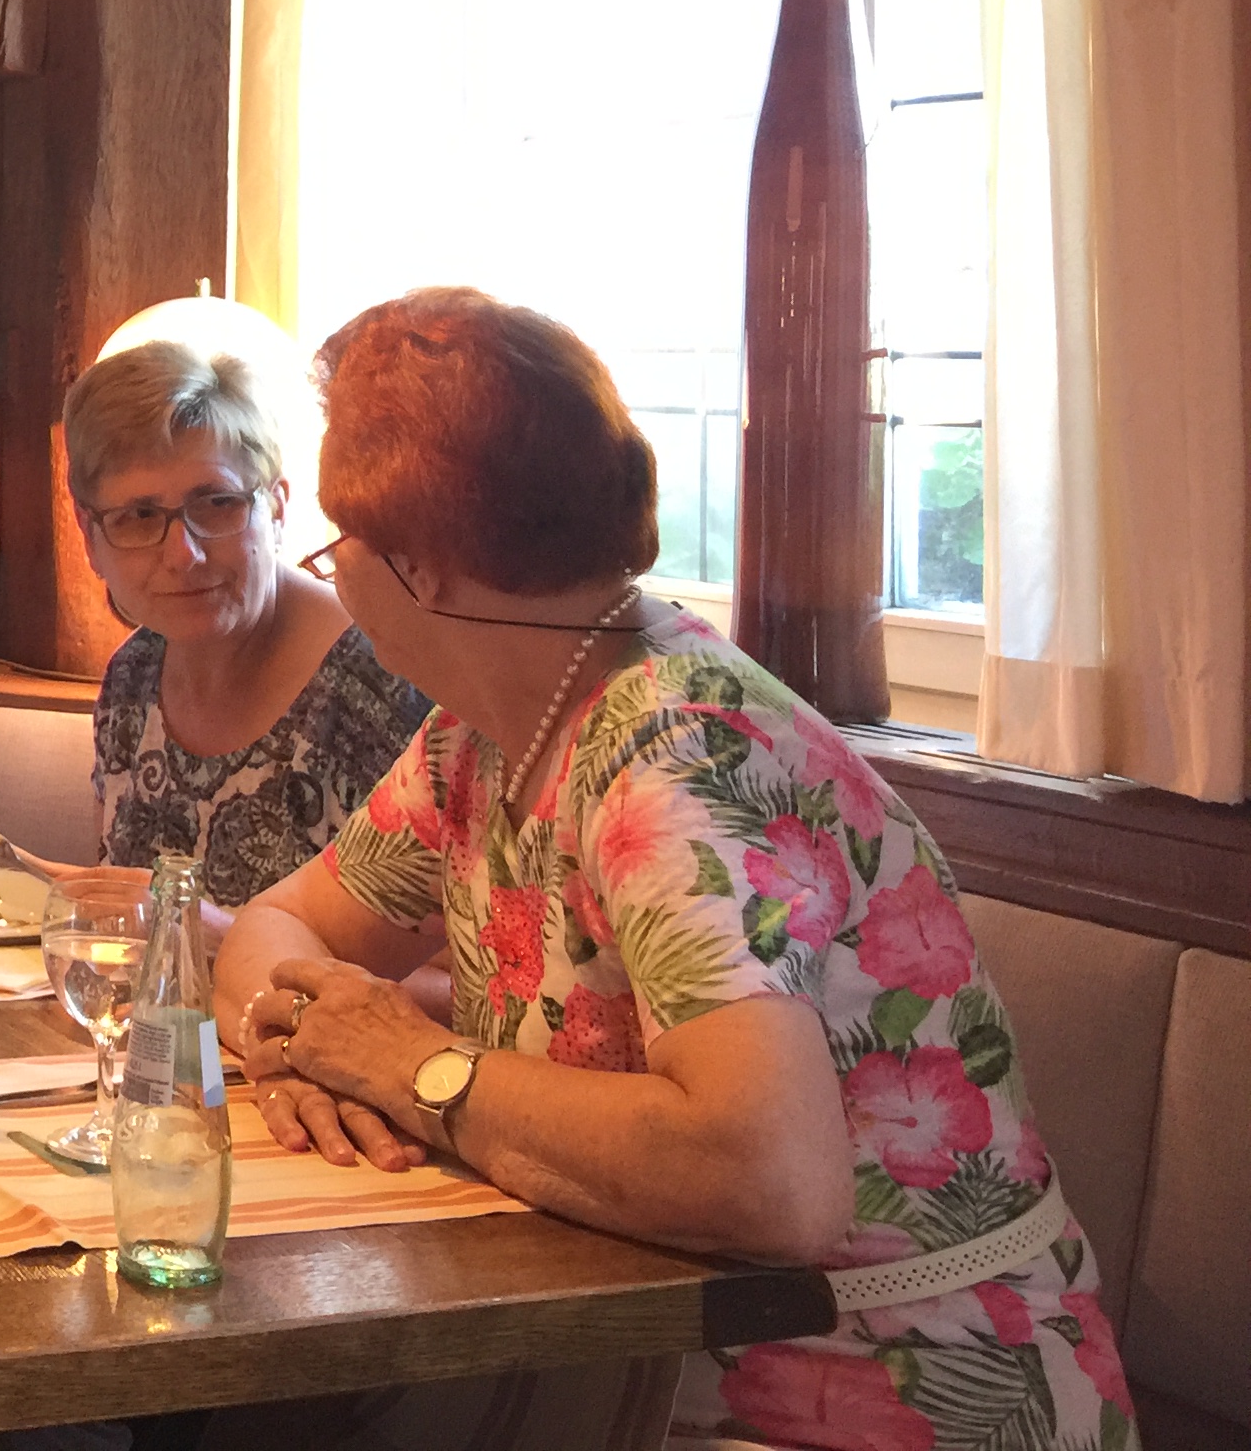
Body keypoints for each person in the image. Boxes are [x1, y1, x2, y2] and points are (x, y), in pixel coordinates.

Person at [216, 288, 1129, 1451]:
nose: (333, 573)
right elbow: (278, 926)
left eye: (339, 543)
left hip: (868, 1387)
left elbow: (770, 1183)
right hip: (617, 1357)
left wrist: (414, 1067)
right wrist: (301, 1044)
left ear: (423, 567)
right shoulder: (480, 735)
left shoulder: (677, 757)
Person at [68, 337, 426, 928]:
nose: (182, 555)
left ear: (277, 508)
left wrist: (216, 938)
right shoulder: (133, 676)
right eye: (139, 516)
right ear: (90, 538)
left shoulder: (378, 682)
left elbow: (458, 967)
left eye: (217, 503)